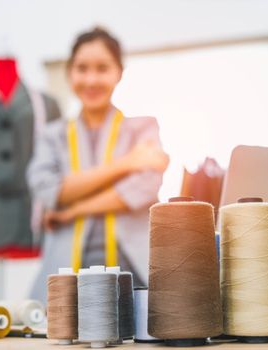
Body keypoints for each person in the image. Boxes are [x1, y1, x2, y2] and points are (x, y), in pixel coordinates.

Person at [28, 27, 168, 302]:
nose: (91, 79)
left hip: (136, 275)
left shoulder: (143, 128)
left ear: (119, 72)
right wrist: (127, 163)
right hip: (65, 279)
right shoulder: (51, 135)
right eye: (82, 68)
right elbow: (52, 191)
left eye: (102, 68)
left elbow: (142, 189)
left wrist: (73, 210)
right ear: (70, 73)